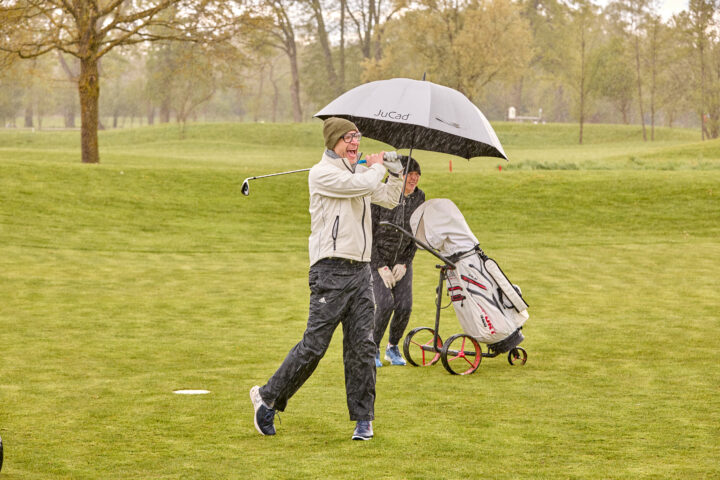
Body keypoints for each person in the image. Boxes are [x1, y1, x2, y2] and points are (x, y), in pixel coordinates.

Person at [250, 117, 404, 441]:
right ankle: (268, 398)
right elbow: (358, 187)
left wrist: (396, 170)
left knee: (362, 347)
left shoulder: (359, 173)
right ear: (333, 140)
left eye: (358, 138)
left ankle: (364, 420)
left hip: (361, 272)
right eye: (349, 137)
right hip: (330, 272)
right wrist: (376, 167)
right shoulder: (322, 174)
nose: (355, 143)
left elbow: (389, 198)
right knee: (314, 347)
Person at [370, 157, 424, 367]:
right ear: (399, 174)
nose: (414, 178)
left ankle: (392, 347)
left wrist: (404, 262)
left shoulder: (419, 197)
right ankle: (372, 347)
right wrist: (380, 265)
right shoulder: (381, 193)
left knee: (404, 306)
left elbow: (416, 233)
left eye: (417, 175)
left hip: (401, 261)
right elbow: (369, 232)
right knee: (384, 304)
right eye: (410, 174)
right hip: (377, 261)